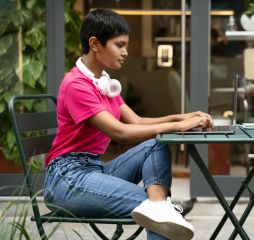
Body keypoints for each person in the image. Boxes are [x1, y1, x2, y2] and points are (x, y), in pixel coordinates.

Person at [43, 8, 213, 240]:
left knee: (155, 145)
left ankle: (159, 205)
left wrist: (182, 118)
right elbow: (120, 132)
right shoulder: (77, 85)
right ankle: (160, 206)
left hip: (94, 169)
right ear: (95, 43)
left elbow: (137, 121)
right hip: (67, 180)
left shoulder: (103, 83)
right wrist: (177, 127)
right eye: (119, 45)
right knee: (156, 209)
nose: (125, 52)